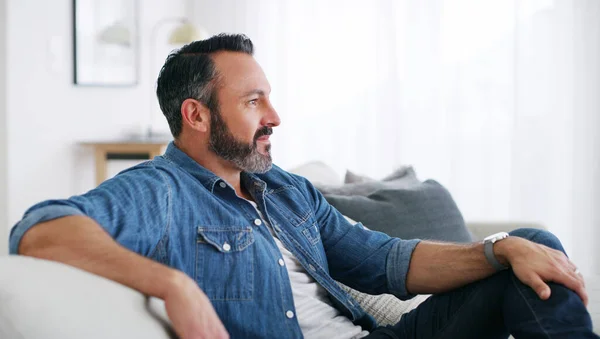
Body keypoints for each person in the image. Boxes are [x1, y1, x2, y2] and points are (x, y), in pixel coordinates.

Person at [9, 33, 597, 339]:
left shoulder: (285, 190)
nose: (275, 115)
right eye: (253, 100)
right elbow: (39, 230)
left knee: (530, 242)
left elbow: (389, 261)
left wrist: (498, 248)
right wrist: (172, 286)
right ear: (196, 115)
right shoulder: (160, 191)